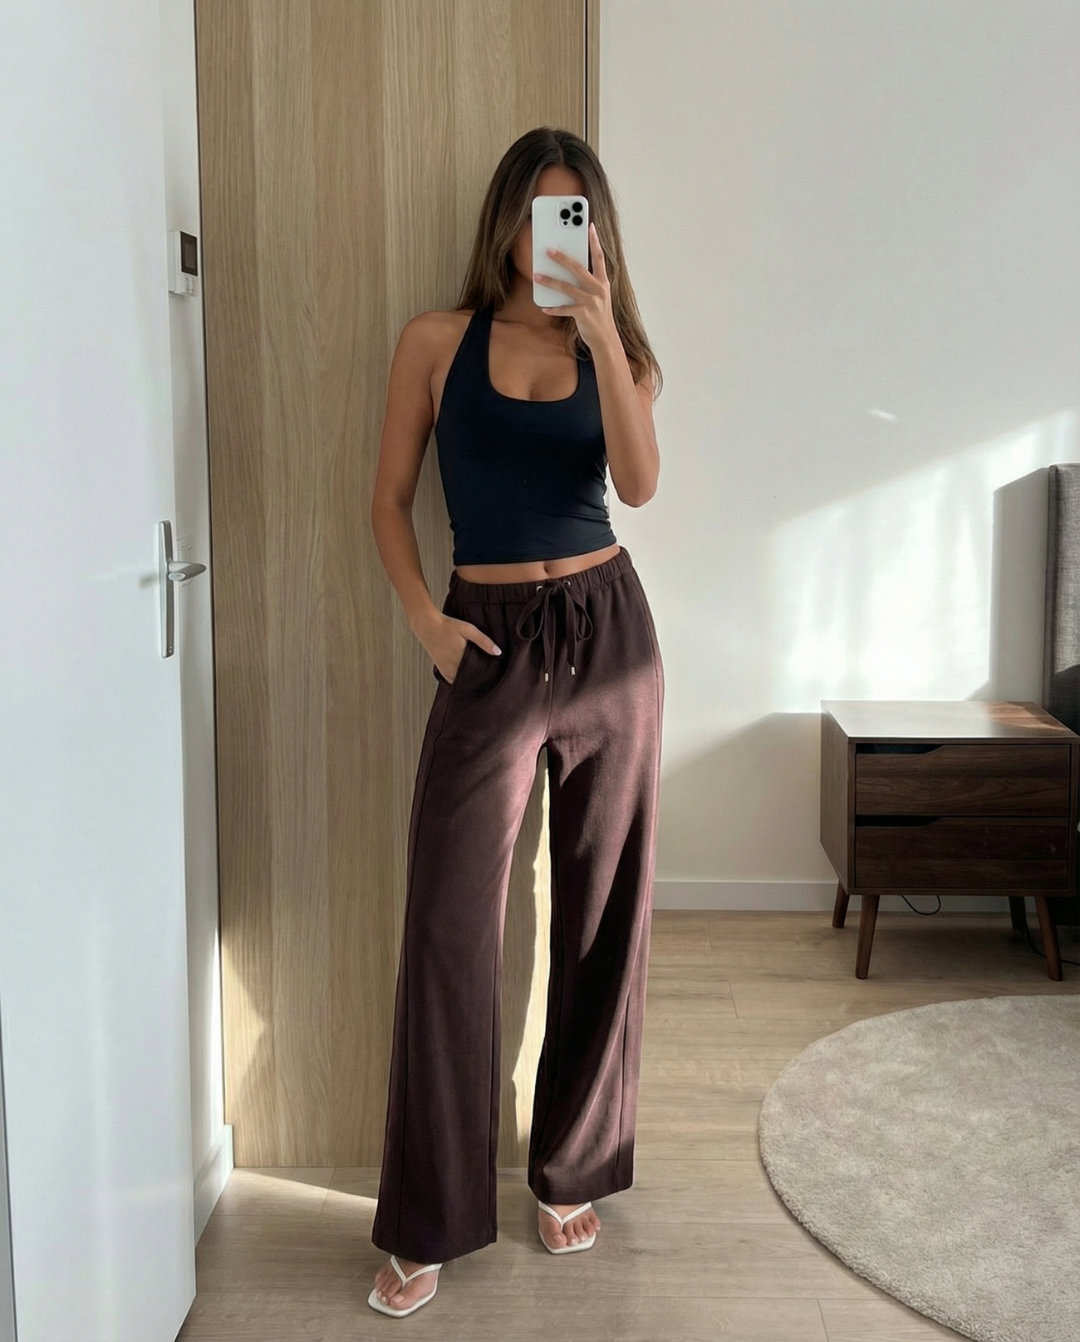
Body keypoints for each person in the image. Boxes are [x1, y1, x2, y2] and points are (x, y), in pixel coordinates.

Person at [367, 126, 664, 1319]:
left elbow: (639, 487)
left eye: (574, 214)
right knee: (449, 923)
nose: (554, 235)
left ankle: (571, 1166)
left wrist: (603, 334)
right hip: (482, 642)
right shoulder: (435, 342)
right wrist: (427, 626)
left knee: (601, 913)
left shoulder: (620, 349)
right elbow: (388, 502)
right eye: (541, 211)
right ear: (506, 219)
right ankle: (430, 1212)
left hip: (608, 634)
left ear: (597, 232)